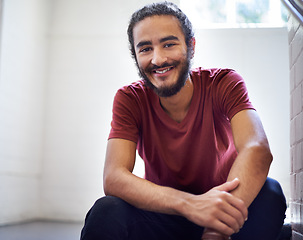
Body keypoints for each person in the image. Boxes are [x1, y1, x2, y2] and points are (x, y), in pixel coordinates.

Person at [81, 2, 286, 240]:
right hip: (165, 215)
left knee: (271, 193)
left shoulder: (224, 82)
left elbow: (257, 149)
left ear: (191, 46)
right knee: (106, 210)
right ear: (135, 56)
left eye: (169, 44)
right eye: (145, 49)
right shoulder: (130, 99)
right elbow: (114, 177)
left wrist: (215, 228)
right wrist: (192, 205)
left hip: (224, 211)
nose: (158, 59)